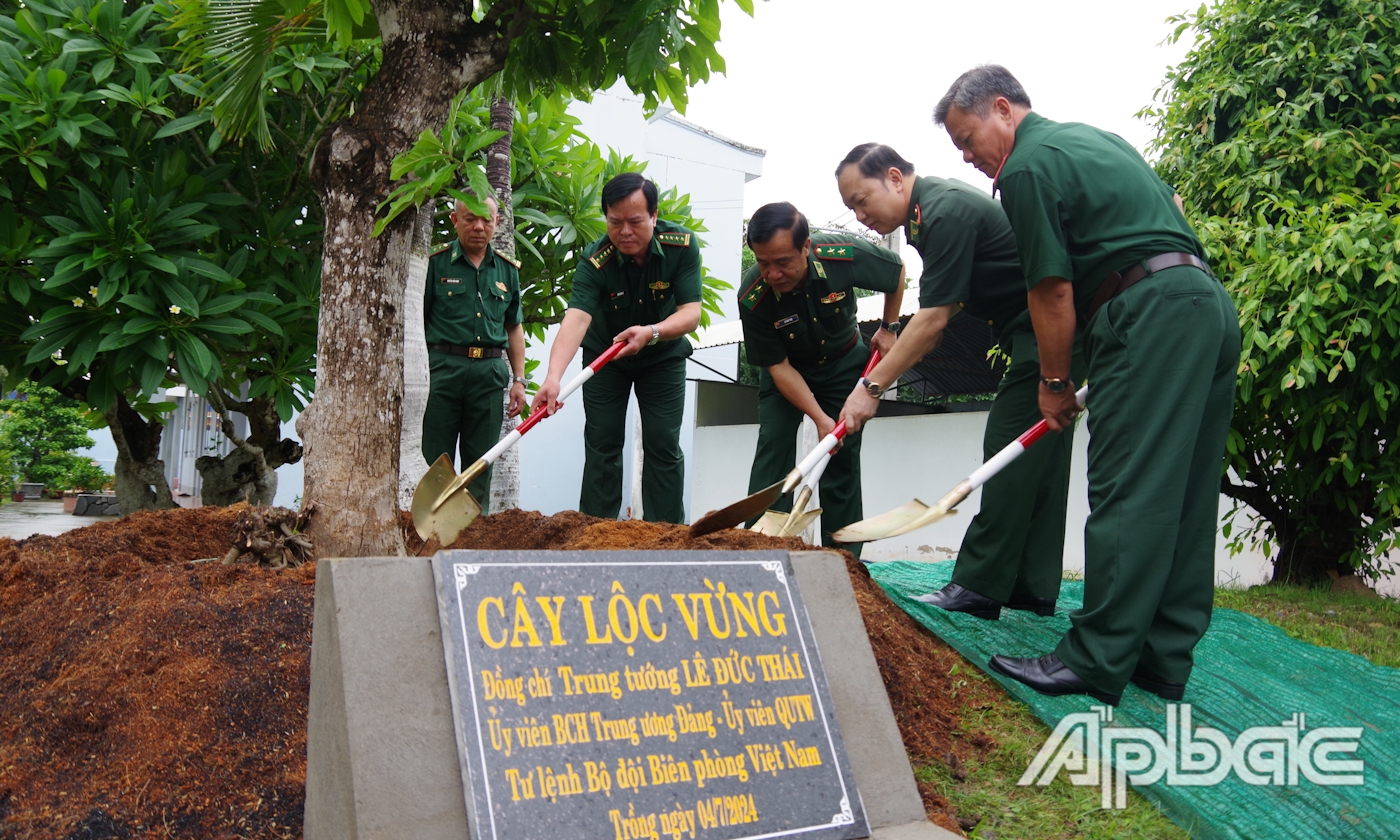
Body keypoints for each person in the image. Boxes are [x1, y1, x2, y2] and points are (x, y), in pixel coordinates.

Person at [935, 65, 1240, 706]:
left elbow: (1050, 288)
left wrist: (1054, 381)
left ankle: (1097, 659)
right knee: (1183, 492)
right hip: (1203, 301)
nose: (968, 158)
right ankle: (1162, 658)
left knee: (1128, 487)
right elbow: (1173, 207)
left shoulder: (1025, 167)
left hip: (1146, 312)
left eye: (968, 139)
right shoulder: (1096, 139)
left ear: (1001, 109)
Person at [835, 143, 1086, 618]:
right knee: (1040, 457)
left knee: (1007, 449)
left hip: (1046, 332)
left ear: (893, 177)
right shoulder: (932, 214)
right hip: (1047, 332)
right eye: (851, 207)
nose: (860, 214)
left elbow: (932, 319)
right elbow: (932, 324)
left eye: (861, 199)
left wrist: (870, 389)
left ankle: (979, 586)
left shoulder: (942, 212)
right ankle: (1032, 587)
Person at [530, 173, 702, 523]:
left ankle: (666, 535)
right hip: (605, 359)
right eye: (615, 222)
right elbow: (576, 319)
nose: (625, 232)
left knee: (662, 443)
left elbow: (691, 314)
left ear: (654, 217)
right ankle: (595, 533)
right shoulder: (595, 261)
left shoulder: (681, 246)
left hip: (662, 356)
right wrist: (552, 378)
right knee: (602, 442)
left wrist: (651, 332)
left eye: (636, 222)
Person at [738, 202, 904, 557]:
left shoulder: (841, 255)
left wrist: (888, 328)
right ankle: (759, 551)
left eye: (783, 262)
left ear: (806, 246)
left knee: (841, 462)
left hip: (845, 365)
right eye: (763, 263)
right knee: (773, 448)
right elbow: (778, 367)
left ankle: (844, 559)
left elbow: (896, 273)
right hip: (788, 373)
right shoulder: (752, 296)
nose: (773, 274)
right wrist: (819, 419)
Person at [422, 195, 527, 513]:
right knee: (435, 462)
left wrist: (519, 380)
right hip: (443, 371)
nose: (479, 226)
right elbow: (417, 320)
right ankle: (430, 535)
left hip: (489, 375)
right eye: (470, 219)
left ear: (497, 222)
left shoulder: (507, 271)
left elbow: (514, 329)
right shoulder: (435, 263)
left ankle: (471, 536)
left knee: (480, 463)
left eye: (487, 219)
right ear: (455, 220)